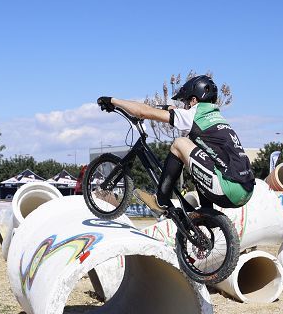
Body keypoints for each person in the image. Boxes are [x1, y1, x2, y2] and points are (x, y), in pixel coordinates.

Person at [98, 74, 254, 215]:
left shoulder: (192, 115)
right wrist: (168, 108)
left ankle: (160, 201)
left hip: (228, 189)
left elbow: (141, 112)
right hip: (245, 190)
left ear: (194, 100)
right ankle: (207, 216)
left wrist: (113, 101)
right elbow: (178, 112)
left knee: (180, 144)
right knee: (195, 153)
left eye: (186, 102)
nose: (184, 106)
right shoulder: (216, 118)